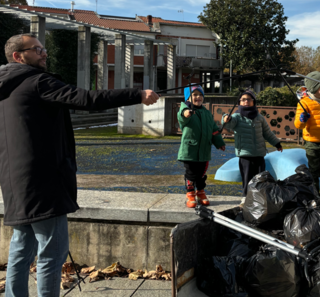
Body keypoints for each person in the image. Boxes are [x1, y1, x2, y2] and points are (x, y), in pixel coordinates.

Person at [0, 33, 159, 297]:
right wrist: (138, 94)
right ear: (19, 56)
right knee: (52, 252)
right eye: (37, 49)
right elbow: (88, 99)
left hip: (14, 181)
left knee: (21, 247)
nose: (44, 53)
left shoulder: (6, 87)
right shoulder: (37, 81)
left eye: (44, 48)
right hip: (43, 181)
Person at [222, 89, 282, 203]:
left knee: (260, 178)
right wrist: (225, 117)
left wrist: (277, 143)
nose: (246, 102)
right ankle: (245, 198)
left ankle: (259, 198)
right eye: (243, 100)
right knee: (247, 178)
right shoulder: (237, 116)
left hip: (259, 153)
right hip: (245, 154)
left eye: (249, 99)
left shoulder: (259, 117)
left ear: (254, 101)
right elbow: (229, 123)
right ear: (239, 102)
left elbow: (267, 133)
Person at [177, 85, 226, 208]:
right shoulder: (186, 110)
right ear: (188, 98)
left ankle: (200, 191)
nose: (198, 97)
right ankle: (190, 193)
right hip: (190, 150)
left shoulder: (207, 113)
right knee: (191, 173)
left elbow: (214, 130)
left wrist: (219, 143)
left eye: (200, 95)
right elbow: (182, 116)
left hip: (204, 150)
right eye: (194, 95)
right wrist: (186, 112)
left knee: (202, 173)